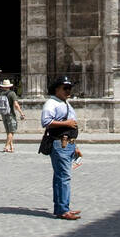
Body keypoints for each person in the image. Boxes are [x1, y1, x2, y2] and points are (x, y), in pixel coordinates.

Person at [41, 76, 81, 218]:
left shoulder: (64, 103)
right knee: (64, 177)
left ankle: (62, 207)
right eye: (65, 88)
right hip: (60, 144)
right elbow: (46, 121)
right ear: (57, 89)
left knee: (60, 177)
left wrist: (74, 145)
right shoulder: (51, 103)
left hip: (68, 144)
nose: (68, 90)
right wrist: (66, 124)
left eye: (70, 88)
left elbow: (72, 124)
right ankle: (63, 210)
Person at [0, 78, 23, 152]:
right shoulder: (12, 93)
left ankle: (12, 147)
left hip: (3, 114)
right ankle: (6, 147)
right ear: (9, 86)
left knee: (8, 132)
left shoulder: (0, 93)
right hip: (11, 114)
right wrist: (21, 113)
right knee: (11, 131)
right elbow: (16, 105)